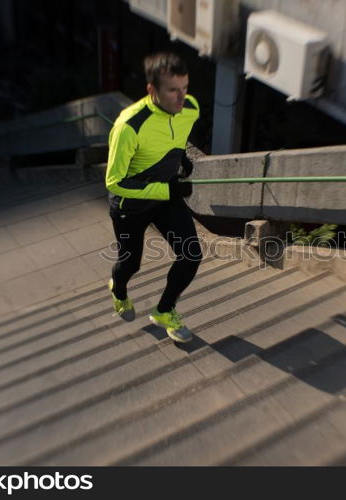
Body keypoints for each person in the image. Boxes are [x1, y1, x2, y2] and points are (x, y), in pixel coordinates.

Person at [105, 52, 202, 343]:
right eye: (173, 90)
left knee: (191, 255)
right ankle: (118, 290)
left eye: (184, 88)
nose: (181, 97)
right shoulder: (129, 125)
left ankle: (164, 310)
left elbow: (172, 136)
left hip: (165, 195)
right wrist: (166, 189)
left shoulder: (191, 108)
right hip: (130, 206)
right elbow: (114, 181)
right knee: (130, 264)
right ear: (152, 90)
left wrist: (180, 156)